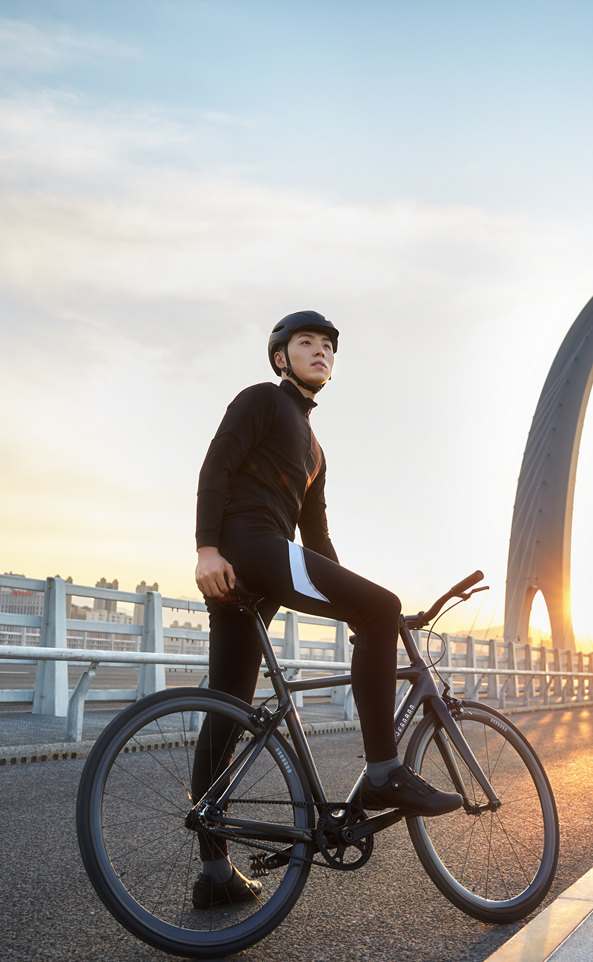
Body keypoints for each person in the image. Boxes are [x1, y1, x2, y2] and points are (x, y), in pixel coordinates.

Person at [190, 309, 462, 909]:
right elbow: (217, 466)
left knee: (228, 708)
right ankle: (386, 770)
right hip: (248, 546)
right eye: (305, 342)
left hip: (262, 569)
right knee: (377, 608)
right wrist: (208, 546)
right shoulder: (262, 399)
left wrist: (376, 612)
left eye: (328, 347)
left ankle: (214, 872)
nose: (319, 351)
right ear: (281, 357)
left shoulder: (314, 448)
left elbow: (318, 545)